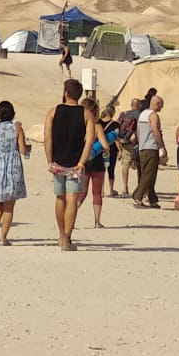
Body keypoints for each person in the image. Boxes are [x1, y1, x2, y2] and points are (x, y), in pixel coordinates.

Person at [45, 79, 95, 250]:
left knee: (60, 197)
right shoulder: (86, 114)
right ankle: (67, 236)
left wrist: (49, 160)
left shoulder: (54, 112)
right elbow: (89, 141)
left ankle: (61, 235)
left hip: (58, 161)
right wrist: (82, 161)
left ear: (66, 93)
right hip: (75, 164)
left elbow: (48, 138)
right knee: (72, 198)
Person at [0, 99, 29, 245]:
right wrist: (28, 148)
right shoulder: (17, 129)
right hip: (13, 168)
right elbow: (23, 150)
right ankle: (4, 238)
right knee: (9, 205)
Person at [79, 96, 114, 227]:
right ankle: (97, 222)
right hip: (97, 163)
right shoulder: (97, 126)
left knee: (81, 192)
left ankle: (72, 216)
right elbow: (105, 145)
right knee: (97, 193)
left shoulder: (79, 126)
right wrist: (107, 152)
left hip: (82, 161)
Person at [133, 94, 167, 209]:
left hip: (143, 147)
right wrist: (161, 146)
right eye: (161, 105)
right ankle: (137, 196)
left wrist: (140, 144)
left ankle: (152, 199)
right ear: (157, 104)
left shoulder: (143, 114)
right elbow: (156, 131)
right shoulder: (153, 115)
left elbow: (138, 132)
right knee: (148, 174)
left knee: (150, 175)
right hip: (151, 147)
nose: (162, 108)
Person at [115, 96, 143, 197]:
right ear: (140, 105)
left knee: (125, 165)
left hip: (125, 142)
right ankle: (140, 188)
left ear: (131, 105)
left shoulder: (124, 114)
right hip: (136, 143)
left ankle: (125, 188)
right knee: (140, 166)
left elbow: (117, 127)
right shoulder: (141, 115)